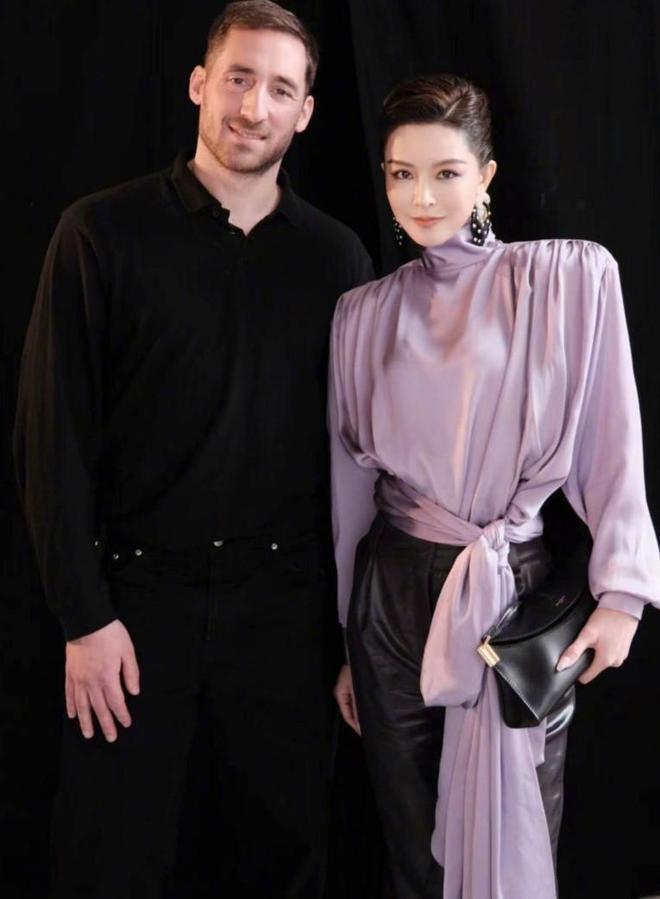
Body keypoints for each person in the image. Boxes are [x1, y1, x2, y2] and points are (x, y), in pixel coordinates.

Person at [13, 2, 373, 896]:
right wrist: (84, 617)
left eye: (279, 89)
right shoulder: (100, 232)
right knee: (109, 860)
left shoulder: (336, 260)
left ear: (306, 113)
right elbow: (51, 437)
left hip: (285, 616)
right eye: (238, 79)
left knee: (281, 862)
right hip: (134, 610)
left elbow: (361, 460)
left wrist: (353, 639)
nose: (254, 107)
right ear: (199, 84)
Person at [329, 73, 660, 899]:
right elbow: (349, 497)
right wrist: (345, 638)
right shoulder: (361, 315)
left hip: (511, 590)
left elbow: (612, 438)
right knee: (411, 844)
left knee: (521, 821)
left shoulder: (566, 280)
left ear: (486, 174)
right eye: (402, 174)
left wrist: (623, 593)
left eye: (446, 172)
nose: (422, 196)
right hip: (389, 597)